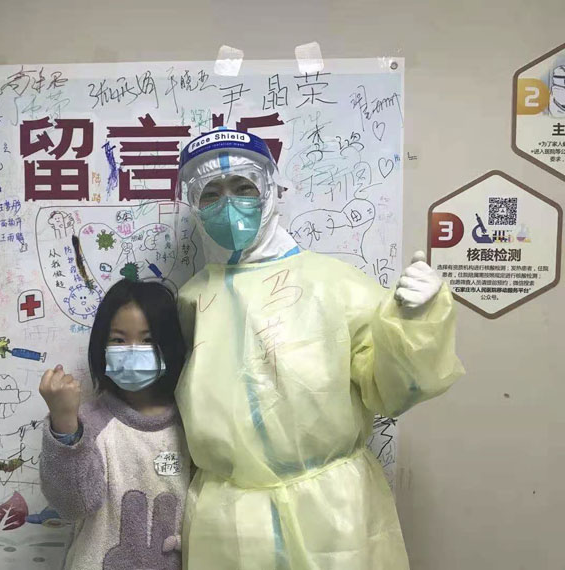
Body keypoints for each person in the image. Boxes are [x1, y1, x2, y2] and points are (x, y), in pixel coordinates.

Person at [174, 129, 465, 569]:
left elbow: (391, 392)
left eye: (243, 187)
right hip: (229, 520)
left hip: (333, 510)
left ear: (271, 190)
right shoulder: (193, 299)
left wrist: (415, 321)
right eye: (210, 193)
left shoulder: (336, 285)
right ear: (194, 205)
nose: (228, 204)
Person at [39, 279, 190, 570]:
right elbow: (72, 506)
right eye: (119, 340)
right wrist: (64, 420)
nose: (132, 351)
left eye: (147, 340)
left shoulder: (191, 424)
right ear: (102, 347)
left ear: (169, 345)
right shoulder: (90, 424)